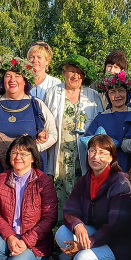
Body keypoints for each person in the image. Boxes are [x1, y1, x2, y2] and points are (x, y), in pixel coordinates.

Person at [55, 134, 131, 260]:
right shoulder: (85, 180)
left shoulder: (119, 183)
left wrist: (85, 244)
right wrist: (78, 226)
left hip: (123, 242)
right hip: (100, 233)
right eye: (92, 151)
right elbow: (70, 209)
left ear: (111, 158)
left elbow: (116, 226)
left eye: (102, 152)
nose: (96, 156)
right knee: (62, 233)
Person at [0, 57, 57, 186]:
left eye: (18, 76)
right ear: (3, 80)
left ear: (25, 80)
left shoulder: (36, 104)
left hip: (30, 170)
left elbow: (53, 134)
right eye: (8, 76)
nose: (12, 80)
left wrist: (33, 149)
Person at [43, 54, 103, 206]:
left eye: (79, 72)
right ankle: (58, 227)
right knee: (57, 193)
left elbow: (100, 125)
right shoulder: (52, 93)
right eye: (71, 71)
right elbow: (44, 121)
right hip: (59, 153)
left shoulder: (93, 95)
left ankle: (79, 225)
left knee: (83, 192)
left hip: (83, 154)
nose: (75, 75)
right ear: (63, 72)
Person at [79, 71, 131, 172]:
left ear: (127, 93)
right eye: (112, 91)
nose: (117, 95)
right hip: (105, 169)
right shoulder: (101, 118)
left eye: (121, 90)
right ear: (108, 95)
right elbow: (90, 141)